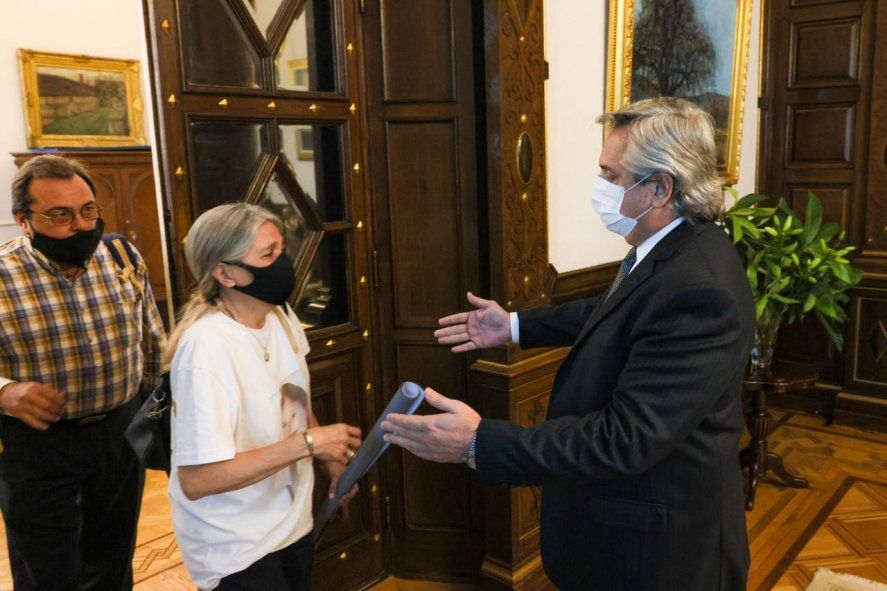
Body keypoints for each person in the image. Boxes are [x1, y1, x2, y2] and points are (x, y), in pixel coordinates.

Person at [381, 98, 755, 591]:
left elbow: (626, 438)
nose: (600, 188)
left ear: (660, 188)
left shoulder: (699, 286)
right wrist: (514, 326)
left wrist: (478, 443)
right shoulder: (676, 248)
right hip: (627, 530)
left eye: (612, 176)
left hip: (658, 554)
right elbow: (614, 316)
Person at [164, 202, 362, 591]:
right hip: (234, 545)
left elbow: (294, 398)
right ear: (225, 273)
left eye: (282, 251)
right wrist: (307, 444)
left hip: (291, 524)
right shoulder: (207, 347)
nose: (282, 264)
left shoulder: (279, 315)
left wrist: (329, 458)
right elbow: (199, 479)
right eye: (267, 255)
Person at [0, 155, 165, 590]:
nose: (82, 224)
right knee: (46, 571)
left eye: (88, 209)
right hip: (38, 446)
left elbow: (152, 339)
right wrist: (3, 392)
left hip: (118, 434)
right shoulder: (1, 275)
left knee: (112, 560)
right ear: (24, 221)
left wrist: (160, 407)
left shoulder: (120, 255)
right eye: (61, 215)